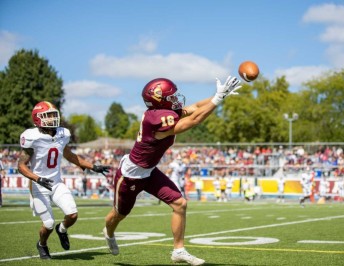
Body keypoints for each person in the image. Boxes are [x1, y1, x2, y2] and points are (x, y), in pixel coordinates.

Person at [103, 76, 241, 265]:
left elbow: (194, 108)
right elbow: (193, 120)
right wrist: (217, 99)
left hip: (149, 172)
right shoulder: (156, 118)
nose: (176, 99)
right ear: (159, 99)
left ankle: (179, 250)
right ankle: (109, 232)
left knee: (179, 204)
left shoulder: (162, 111)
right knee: (120, 214)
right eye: (171, 96)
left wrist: (219, 95)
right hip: (130, 175)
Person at [18, 101, 110, 260]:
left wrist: (92, 166)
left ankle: (62, 229)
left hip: (56, 182)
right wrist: (37, 178)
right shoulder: (32, 137)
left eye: (54, 114)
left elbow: (70, 156)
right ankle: (42, 244)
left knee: (73, 215)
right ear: (37, 119)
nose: (52, 118)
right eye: (48, 116)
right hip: (38, 186)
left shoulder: (62, 134)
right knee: (48, 224)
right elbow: (21, 166)